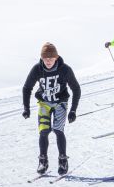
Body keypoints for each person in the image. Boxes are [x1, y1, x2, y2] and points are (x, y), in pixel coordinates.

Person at [22, 43, 81, 176]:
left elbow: (76, 89)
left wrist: (73, 110)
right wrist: (26, 108)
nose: (48, 61)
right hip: (44, 103)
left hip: (60, 102)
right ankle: (43, 160)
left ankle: (62, 159)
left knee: (58, 130)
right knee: (44, 131)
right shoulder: (37, 69)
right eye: (45, 58)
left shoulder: (65, 69)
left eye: (51, 58)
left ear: (56, 57)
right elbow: (27, 88)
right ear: (42, 58)